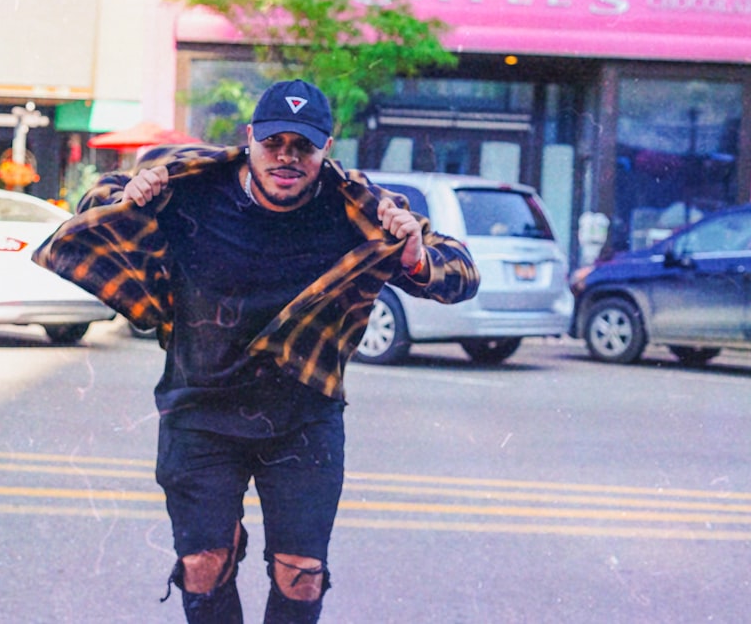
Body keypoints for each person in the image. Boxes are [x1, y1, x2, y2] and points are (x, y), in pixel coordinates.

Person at [33, 79, 479, 623]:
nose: (287, 157)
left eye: (303, 146)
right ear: (251, 139)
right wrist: (129, 194)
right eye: (274, 143)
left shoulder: (357, 205)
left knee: (301, 572)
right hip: (199, 407)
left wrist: (413, 255)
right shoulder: (192, 184)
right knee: (203, 563)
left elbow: (460, 271)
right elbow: (96, 200)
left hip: (303, 414)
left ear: (326, 148)